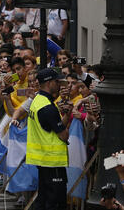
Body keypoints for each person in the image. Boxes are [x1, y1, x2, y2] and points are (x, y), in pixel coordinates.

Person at [26, 67, 72, 210]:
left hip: (43, 160)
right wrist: (67, 125)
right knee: (55, 201)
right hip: (53, 161)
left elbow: (51, 127)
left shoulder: (37, 100)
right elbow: (63, 134)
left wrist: (66, 114)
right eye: (57, 82)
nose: (59, 85)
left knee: (44, 199)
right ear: (49, 83)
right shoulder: (47, 107)